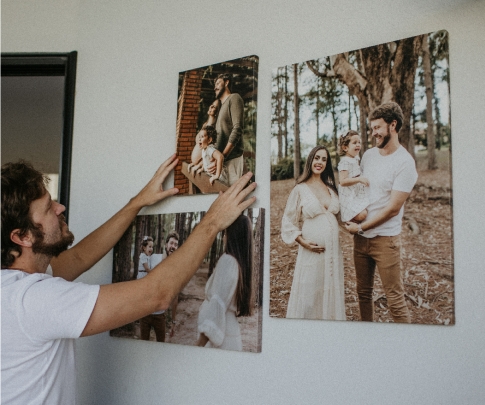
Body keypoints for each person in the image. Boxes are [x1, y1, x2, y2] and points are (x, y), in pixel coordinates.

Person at [1, 155, 256, 404]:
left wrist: (137, 203)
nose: (60, 208)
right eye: (48, 208)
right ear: (22, 237)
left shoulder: (13, 285)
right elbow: (156, 294)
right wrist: (212, 222)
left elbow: (78, 257)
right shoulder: (32, 300)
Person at [345, 102, 418, 323]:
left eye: (377, 127)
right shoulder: (368, 156)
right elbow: (357, 190)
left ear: (392, 125)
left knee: (394, 299)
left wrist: (360, 227)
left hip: (386, 240)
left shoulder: (405, 163)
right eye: (372, 128)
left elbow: (393, 209)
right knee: (363, 294)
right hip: (361, 240)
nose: (373, 133)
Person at [281, 146, 346, 321]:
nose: (320, 162)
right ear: (310, 160)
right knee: (310, 293)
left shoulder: (331, 188)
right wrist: (302, 242)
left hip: (332, 252)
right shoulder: (300, 189)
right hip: (311, 250)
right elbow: (288, 221)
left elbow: (341, 218)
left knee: (329, 287)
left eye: (324, 159)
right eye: (317, 158)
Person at [196, 214, 253, 351]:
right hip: (228, 333)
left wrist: (198, 346)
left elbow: (217, 306)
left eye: (226, 231)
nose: (223, 237)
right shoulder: (237, 263)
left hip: (221, 340)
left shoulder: (228, 261)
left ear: (232, 234)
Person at [209, 73, 244, 185]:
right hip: (222, 162)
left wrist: (222, 157)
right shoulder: (221, 108)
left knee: (234, 198)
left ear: (227, 82)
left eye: (218, 83)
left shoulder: (234, 98)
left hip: (232, 160)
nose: (215, 87)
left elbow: (237, 128)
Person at [136, 235, 167, 342]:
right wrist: (155, 273)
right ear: (144, 247)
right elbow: (147, 269)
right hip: (142, 277)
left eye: (152, 247)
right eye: (149, 247)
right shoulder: (143, 256)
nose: (151, 249)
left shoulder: (149, 257)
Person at [337, 130, 369, 223]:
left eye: (359, 142)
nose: (358, 145)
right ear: (345, 147)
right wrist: (359, 179)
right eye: (354, 143)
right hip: (348, 194)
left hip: (356, 191)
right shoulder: (345, 161)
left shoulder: (355, 159)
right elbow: (342, 181)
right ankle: (351, 220)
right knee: (362, 214)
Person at [190, 99, 222, 164]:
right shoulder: (205, 124)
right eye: (211, 105)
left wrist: (201, 165)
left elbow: (213, 150)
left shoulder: (215, 127)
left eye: (214, 107)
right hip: (196, 165)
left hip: (204, 166)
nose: (210, 107)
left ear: (217, 111)